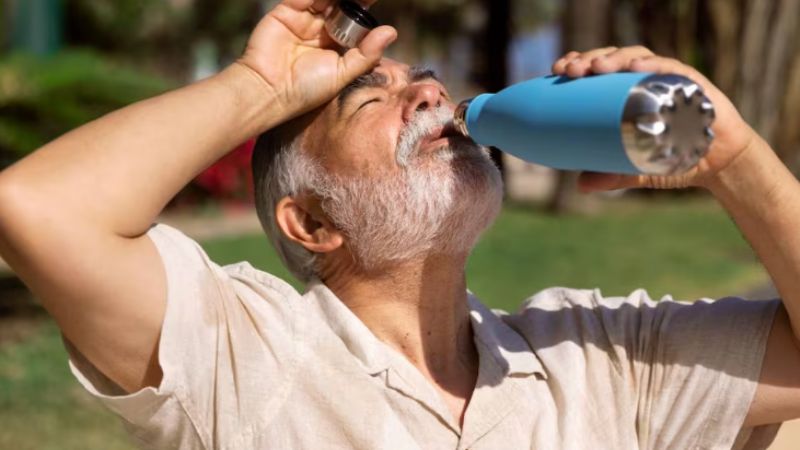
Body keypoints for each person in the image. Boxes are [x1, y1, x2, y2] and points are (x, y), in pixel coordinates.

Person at [0, 1, 799, 448]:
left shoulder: (600, 359)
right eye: (371, 100)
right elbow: (40, 209)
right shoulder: (244, 356)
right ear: (312, 221)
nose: (427, 96)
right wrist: (257, 86)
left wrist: (732, 159)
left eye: (422, 83)